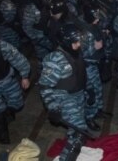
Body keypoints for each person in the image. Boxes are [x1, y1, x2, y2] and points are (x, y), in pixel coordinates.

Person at [39, 24, 92, 161]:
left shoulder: (76, 51)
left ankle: (72, 137)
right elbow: (45, 86)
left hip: (77, 94)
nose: (79, 44)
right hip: (63, 97)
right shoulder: (55, 60)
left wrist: (89, 88)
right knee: (81, 131)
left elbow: (80, 72)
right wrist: (53, 107)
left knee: (75, 129)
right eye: (76, 41)